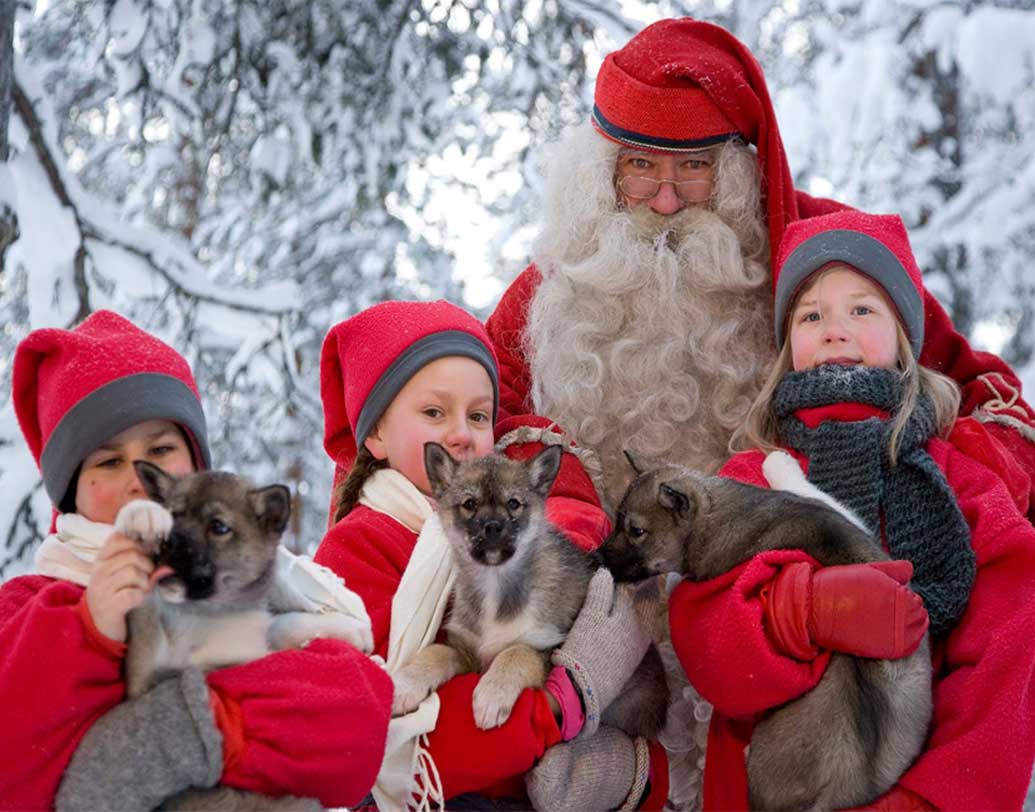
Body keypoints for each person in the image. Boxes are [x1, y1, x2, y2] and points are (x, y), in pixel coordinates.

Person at [485, 16, 1035, 805]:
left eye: (696, 168)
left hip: (783, 693)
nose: (666, 199)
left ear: (738, 170)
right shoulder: (553, 289)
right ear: (597, 171)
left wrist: (931, 479)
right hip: (615, 658)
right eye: (639, 167)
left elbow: (979, 389)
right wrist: (566, 492)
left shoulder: (815, 254)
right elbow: (440, 419)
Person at [668, 210, 1035, 809]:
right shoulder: (752, 480)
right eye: (811, 316)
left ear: (904, 341)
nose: (835, 329)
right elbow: (706, 639)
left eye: (862, 310)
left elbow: (1007, 654)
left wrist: (930, 800)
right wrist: (797, 614)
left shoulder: (963, 484)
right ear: (789, 348)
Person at [0, 310, 393, 811]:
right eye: (107, 461)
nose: (138, 479)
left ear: (194, 465)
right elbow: (11, 764)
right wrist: (89, 628)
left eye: (160, 449)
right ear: (70, 489)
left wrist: (199, 725)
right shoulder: (34, 603)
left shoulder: (252, 570)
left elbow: (355, 730)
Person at [313, 299, 667, 812]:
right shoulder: (359, 547)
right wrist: (548, 710)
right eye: (434, 412)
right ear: (375, 435)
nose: (461, 434)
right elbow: (374, 726)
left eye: (478, 415)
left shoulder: (491, 536)